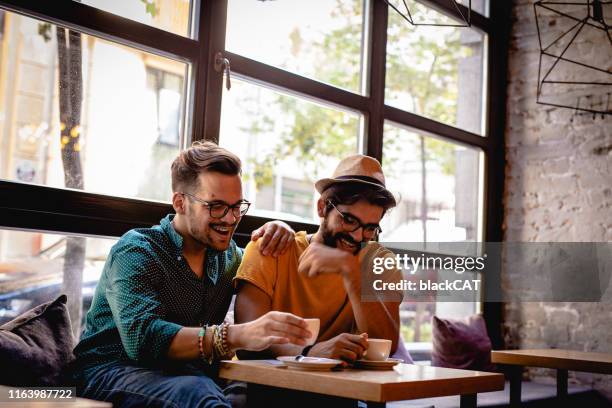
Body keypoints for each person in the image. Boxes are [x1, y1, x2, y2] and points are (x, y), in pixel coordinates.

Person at [70, 141, 311, 408]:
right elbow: (143, 338)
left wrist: (280, 228)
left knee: (275, 394)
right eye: (216, 206)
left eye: (237, 206)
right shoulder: (137, 250)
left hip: (191, 375)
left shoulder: (230, 257)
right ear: (180, 203)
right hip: (110, 371)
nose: (231, 219)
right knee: (200, 396)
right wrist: (235, 335)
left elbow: (264, 269)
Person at [234, 155, 402, 364]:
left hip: (340, 389)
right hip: (261, 386)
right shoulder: (270, 247)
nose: (358, 236)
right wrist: (309, 352)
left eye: (370, 228)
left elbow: (387, 345)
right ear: (322, 207)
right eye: (349, 220)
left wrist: (351, 273)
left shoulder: (378, 260)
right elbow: (246, 340)